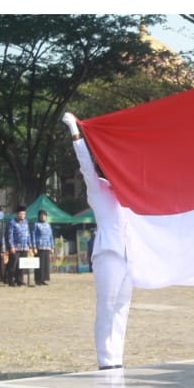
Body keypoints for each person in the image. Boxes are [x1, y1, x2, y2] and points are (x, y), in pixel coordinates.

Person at [63, 112, 132, 368]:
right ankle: (105, 359)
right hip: (108, 253)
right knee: (107, 305)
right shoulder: (97, 187)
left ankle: (117, 358)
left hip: (129, 254)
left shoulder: (128, 192)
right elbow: (85, 166)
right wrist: (75, 132)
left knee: (122, 308)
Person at [5, 206, 33, 287]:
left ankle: (19, 280)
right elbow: (9, 235)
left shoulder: (26, 222)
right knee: (13, 265)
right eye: (21, 214)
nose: (22, 215)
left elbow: (28, 234)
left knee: (22, 265)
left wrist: (30, 245)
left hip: (24, 247)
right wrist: (11, 247)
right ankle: (10, 280)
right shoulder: (12, 222)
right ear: (17, 214)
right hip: (15, 248)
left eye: (24, 214)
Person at [32, 210, 55, 285]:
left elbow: (51, 236)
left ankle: (44, 279)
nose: (43, 217)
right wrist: (34, 247)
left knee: (45, 264)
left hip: (47, 246)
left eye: (44, 215)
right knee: (39, 264)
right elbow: (33, 236)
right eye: (41, 215)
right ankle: (38, 280)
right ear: (39, 216)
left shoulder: (48, 225)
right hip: (39, 247)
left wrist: (52, 247)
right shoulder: (36, 224)